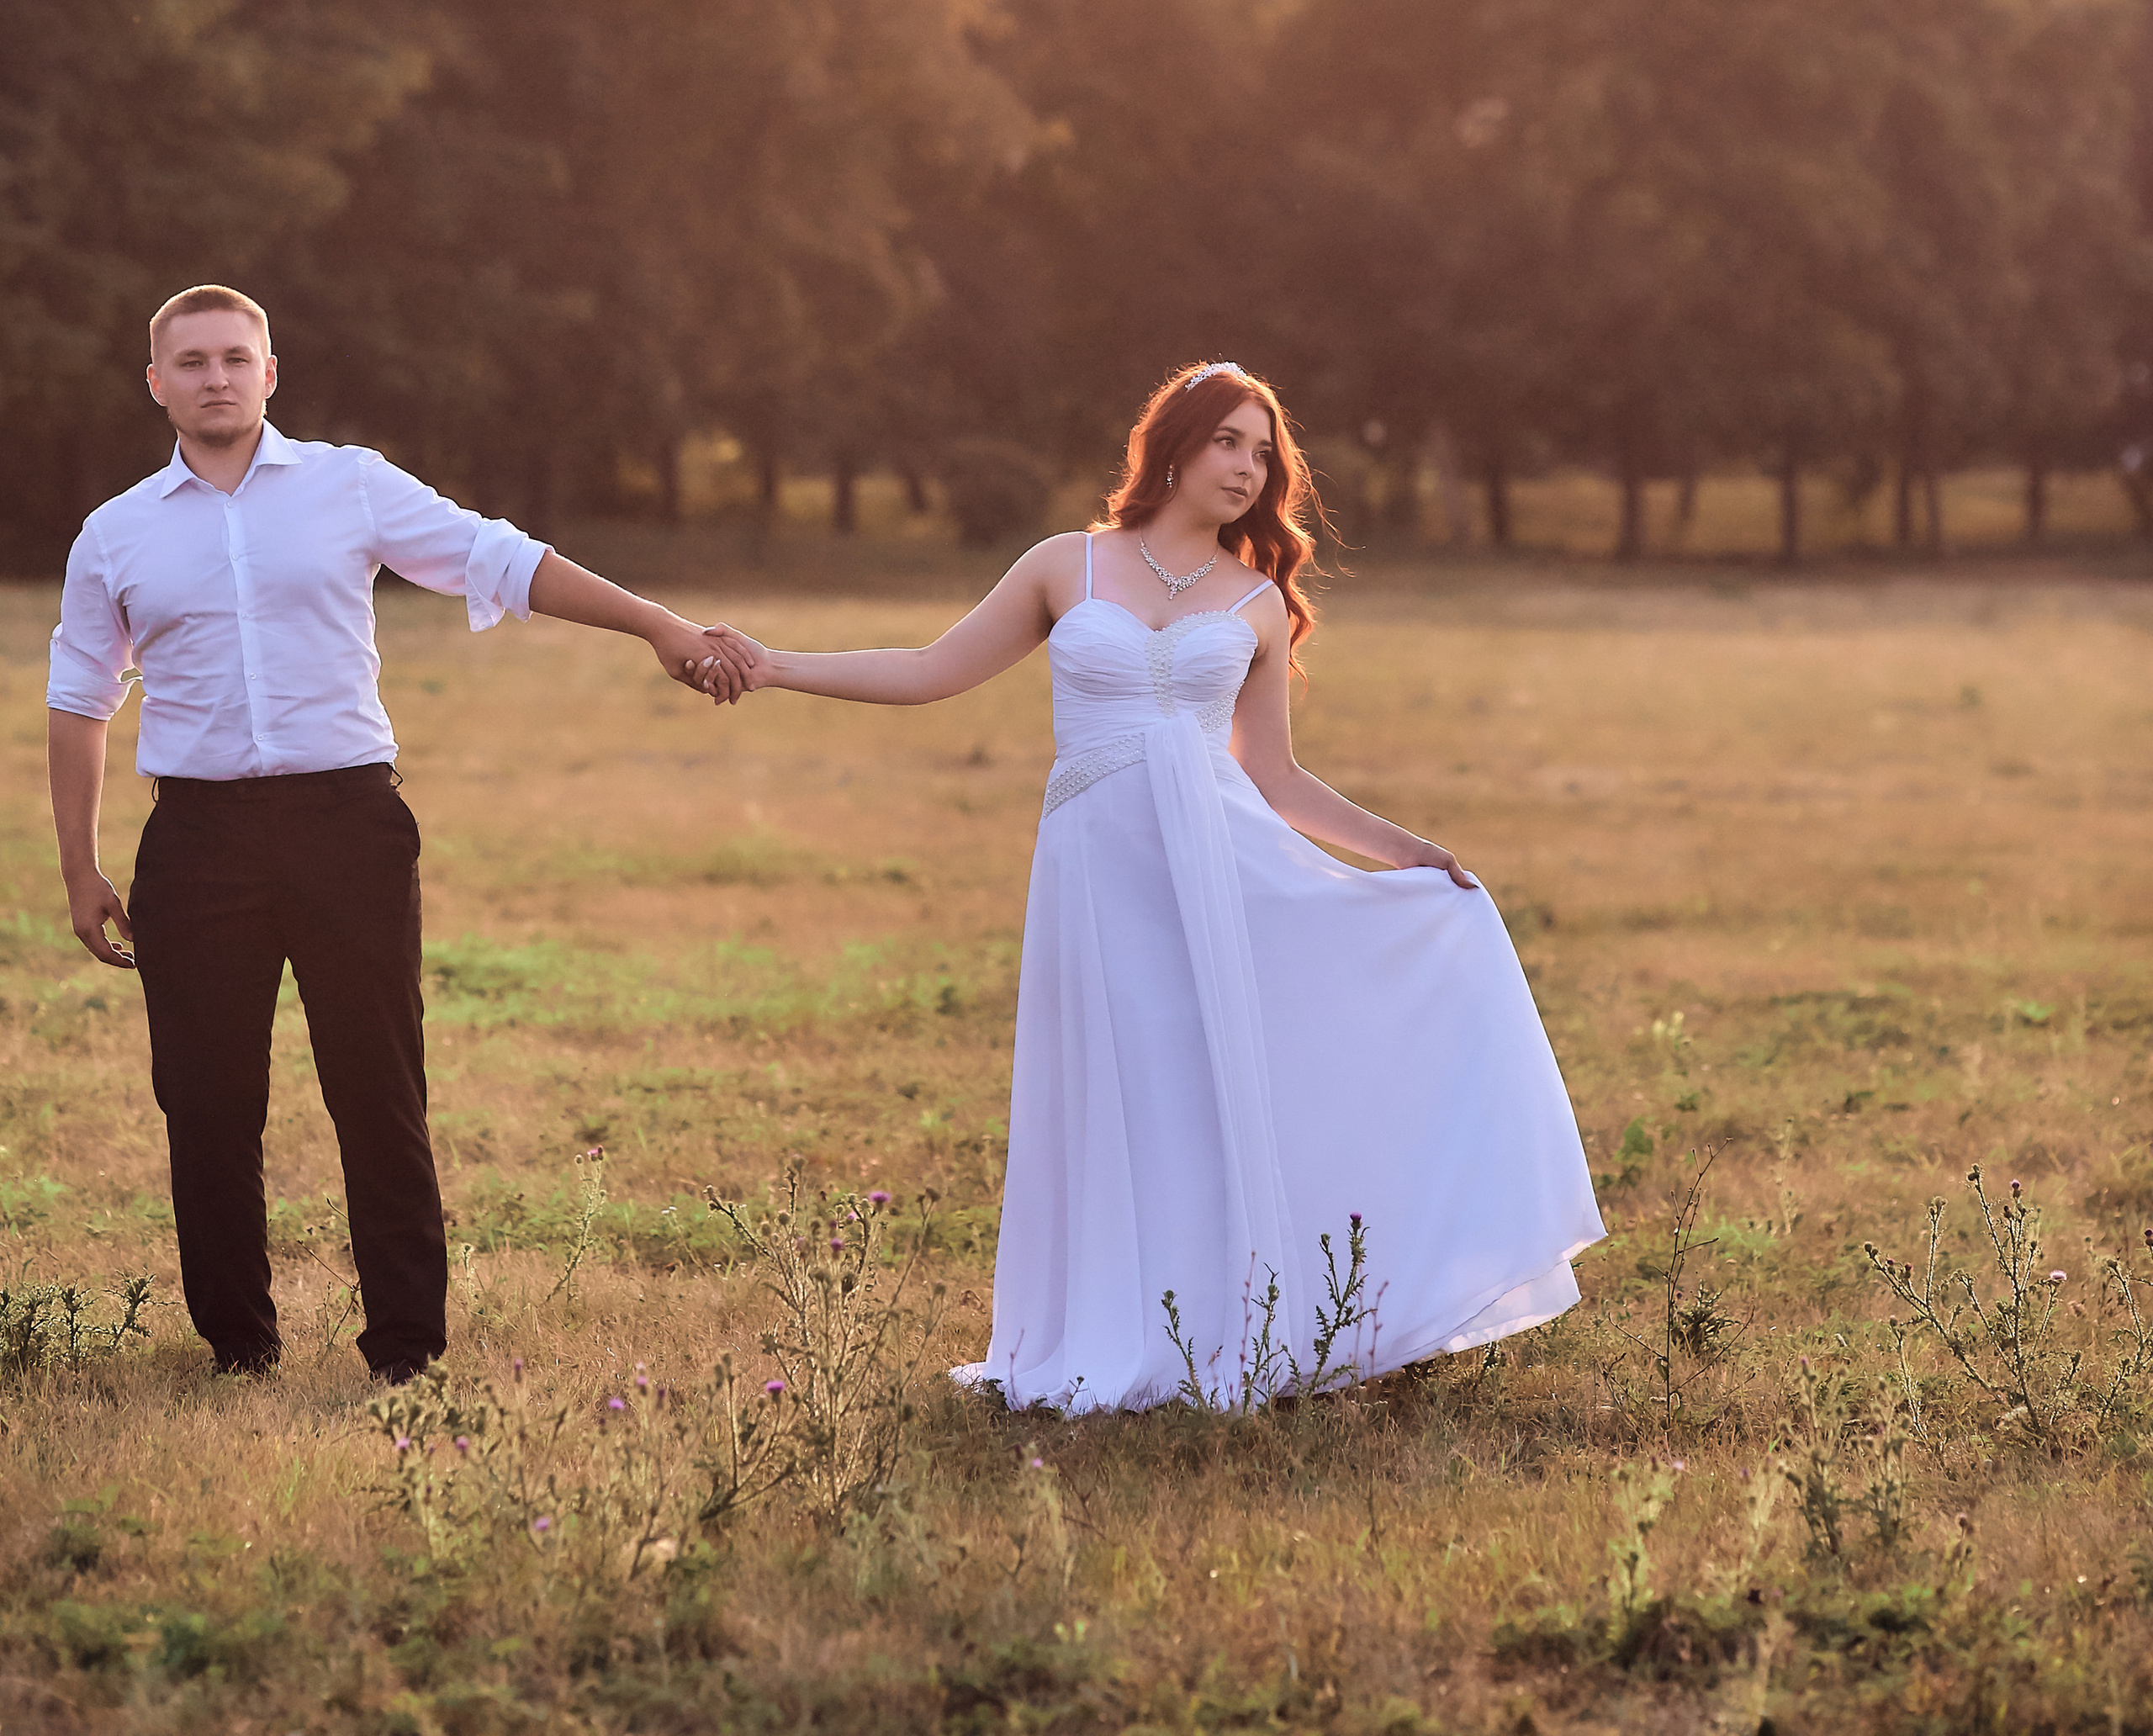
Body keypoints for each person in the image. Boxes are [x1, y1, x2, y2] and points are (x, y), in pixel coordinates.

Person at [692, 360, 1603, 1411]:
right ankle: (1111, 1328)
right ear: (1173, 447)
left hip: (1220, 868)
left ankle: (1231, 1327)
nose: (1247, 468)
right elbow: (933, 670)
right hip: (1096, 870)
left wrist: (1408, 854)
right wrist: (776, 664)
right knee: (1116, 1087)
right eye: (1227, 442)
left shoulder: (1257, 602)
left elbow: (1275, 778)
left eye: (1263, 453)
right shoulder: (1066, 566)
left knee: (1206, 1087)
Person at [47, 283, 724, 1384]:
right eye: (193, 361)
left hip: (348, 826)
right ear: (157, 383)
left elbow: (501, 559)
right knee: (207, 1105)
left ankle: (406, 1348)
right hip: (197, 843)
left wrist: (657, 623)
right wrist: (80, 869)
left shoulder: (350, 485)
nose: (217, 377)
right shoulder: (116, 533)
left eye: (236, 358)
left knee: (378, 1091)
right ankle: (239, 1347)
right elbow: (79, 702)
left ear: (271, 374)